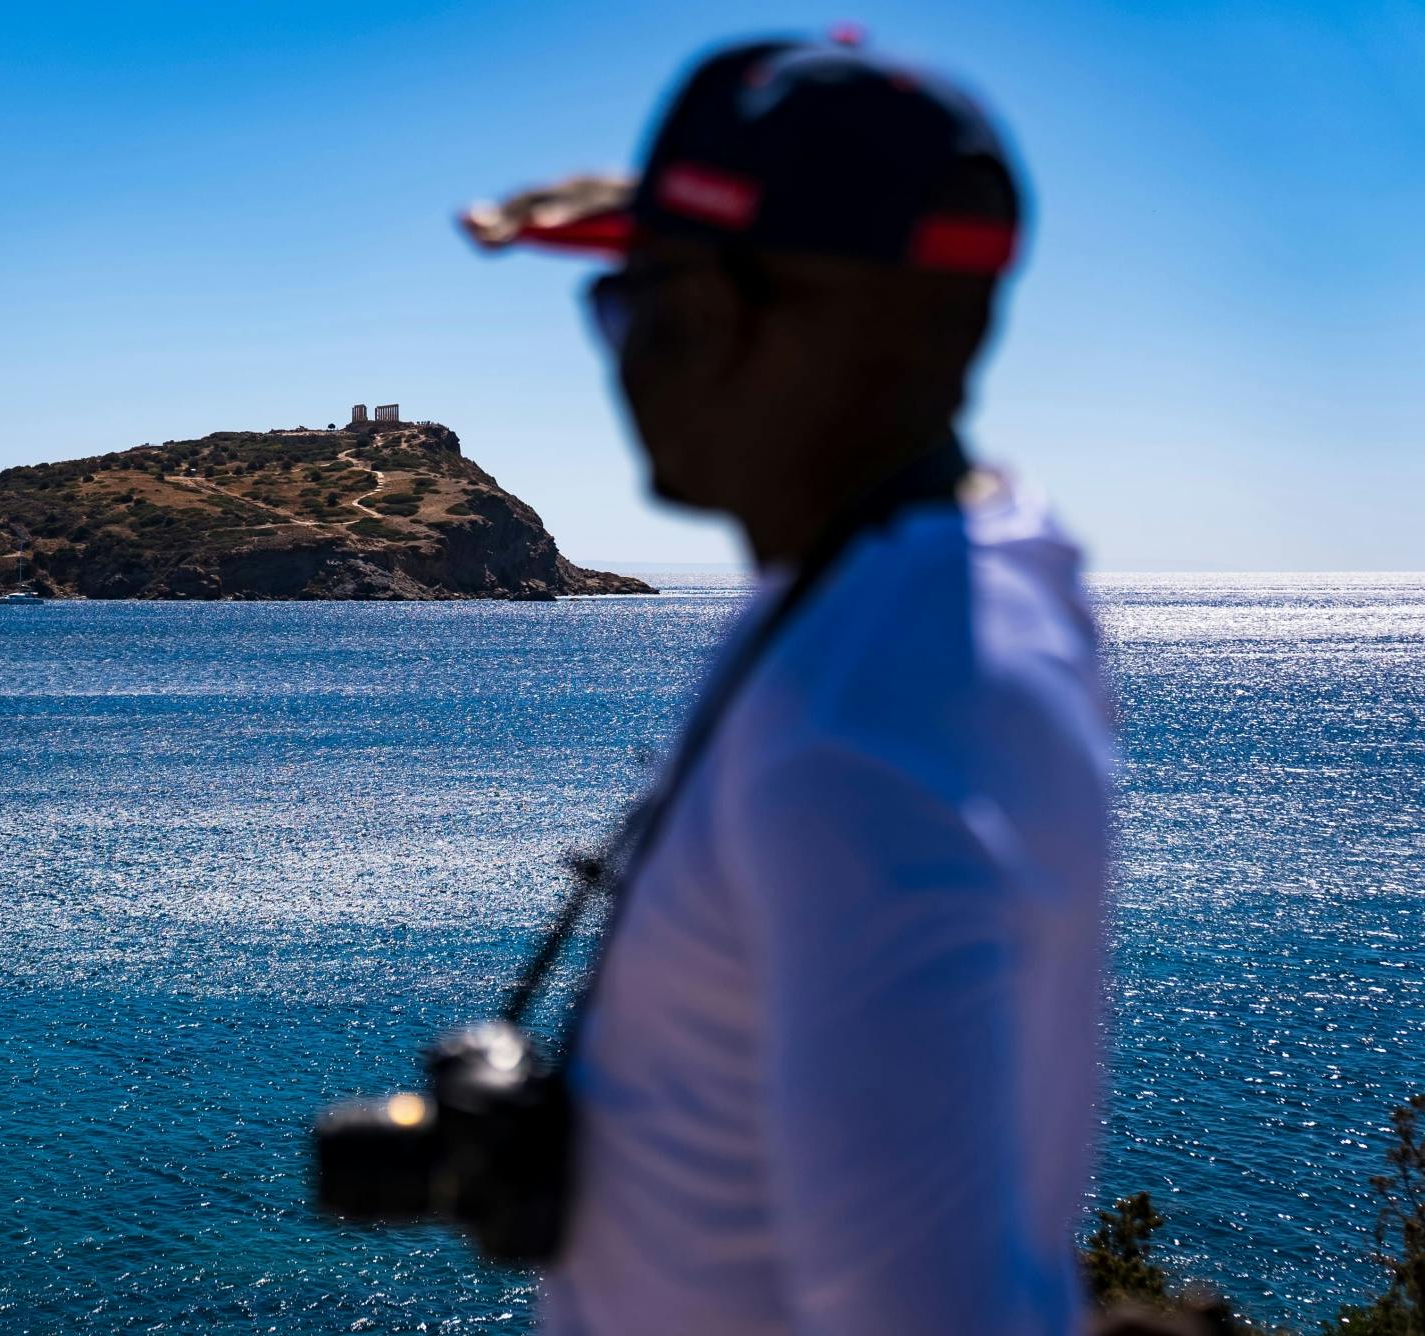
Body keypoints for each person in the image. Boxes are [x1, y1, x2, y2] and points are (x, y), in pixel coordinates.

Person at [465, 33, 1113, 1335]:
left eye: (655, 300)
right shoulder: (961, 572)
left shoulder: (864, 736)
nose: (627, 353)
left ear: (877, 329)